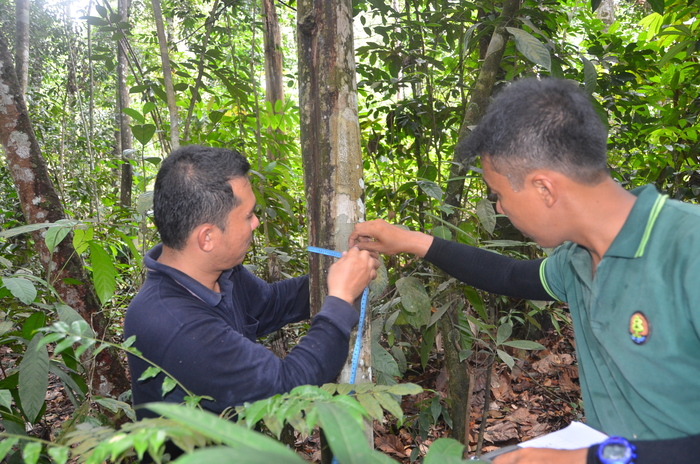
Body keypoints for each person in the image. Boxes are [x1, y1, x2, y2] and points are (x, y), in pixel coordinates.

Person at [349, 78, 700, 464]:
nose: (499, 209)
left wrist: (591, 457)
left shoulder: (688, 249)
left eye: (498, 195)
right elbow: (510, 277)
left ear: (545, 189)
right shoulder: (579, 259)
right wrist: (413, 241)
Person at [124, 145, 379, 424]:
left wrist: (343, 276)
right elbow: (287, 390)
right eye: (247, 216)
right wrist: (340, 301)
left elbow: (269, 305)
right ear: (206, 237)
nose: (256, 222)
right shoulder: (175, 324)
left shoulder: (219, 273)